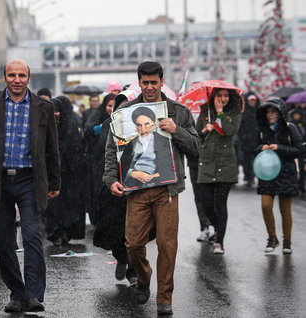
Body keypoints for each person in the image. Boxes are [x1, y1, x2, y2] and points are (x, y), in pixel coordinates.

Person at [103, 61, 200, 316]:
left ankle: (164, 298)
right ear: (139, 82)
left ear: (161, 81)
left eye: (153, 82)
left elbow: (196, 146)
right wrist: (111, 179)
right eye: (144, 82)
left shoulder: (178, 111)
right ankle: (143, 279)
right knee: (133, 244)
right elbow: (112, 150)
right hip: (136, 189)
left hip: (167, 190)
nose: (149, 87)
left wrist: (176, 130)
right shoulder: (125, 112)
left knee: (168, 246)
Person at [0, 59, 60, 313]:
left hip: (30, 180)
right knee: (4, 240)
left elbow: (52, 149)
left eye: (21, 75)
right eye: (11, 75)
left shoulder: (43, 107)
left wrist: (55, 181)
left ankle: (33, 294)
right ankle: (17, 293)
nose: (16, 79)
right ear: (4, 78)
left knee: (31, 235)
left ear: (29, 78)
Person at [93, 92, 139, 286]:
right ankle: (121, 258)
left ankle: (134, 270)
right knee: (118, 228)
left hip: (140, 185)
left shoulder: (144, 125)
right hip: (116, 185)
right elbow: (107, 152)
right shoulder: (109, 126)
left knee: (137, 232)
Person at [195, 88, 243, 254]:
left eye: (226, 96)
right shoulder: (204, 112)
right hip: (207, 162)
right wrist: (204, 130)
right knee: (207, 204)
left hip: (226, 163)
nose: (222, 99)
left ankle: (219, 241)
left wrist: (221, 114)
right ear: (213, 96)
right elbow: (195, 137)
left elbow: (230, 131)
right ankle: (217, 228)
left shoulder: (235, 112)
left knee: (220, 204)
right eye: (219, 95)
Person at [255, 97, 302, 254]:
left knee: (285, 210)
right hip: (266, 172)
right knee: (266, 206)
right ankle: (272, 238)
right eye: (268, 112)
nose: (271, 114)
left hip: (286, 173)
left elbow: (299, 150)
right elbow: (253, 147)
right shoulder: (262, 129)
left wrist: (279, 148)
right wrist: (262, 147)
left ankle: (287, 242)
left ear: (280, 112)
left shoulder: (290, 128)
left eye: (274, 111)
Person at [45, 96, 85, 246]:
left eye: (58, 111)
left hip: (70, 176)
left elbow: (76, 149)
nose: (56, 114)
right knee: (54, 207)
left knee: (68, 207)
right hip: (54, 175)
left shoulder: (72, 125)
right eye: (53, 111)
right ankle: (56, 232)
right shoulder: (50, 127)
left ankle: (66, 232)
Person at [84, 93, 116, 225]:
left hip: (113, 161)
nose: (111, 109)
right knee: (98, 189)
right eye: (109, 106)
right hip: (97, 161)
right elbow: (87, 131)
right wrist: (101, 128)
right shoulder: (97, 116)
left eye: (114, 106)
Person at [236, 92, 260, 187]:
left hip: (257, 141)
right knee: (246, 160)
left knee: (256, 160)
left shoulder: (259, 111)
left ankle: (254, 176)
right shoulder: (243, 112)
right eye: (251, 100)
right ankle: (248, 176)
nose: (252, 102)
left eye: (254, 100)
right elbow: (240, 127)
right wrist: (243, 137)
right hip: (245, 141)